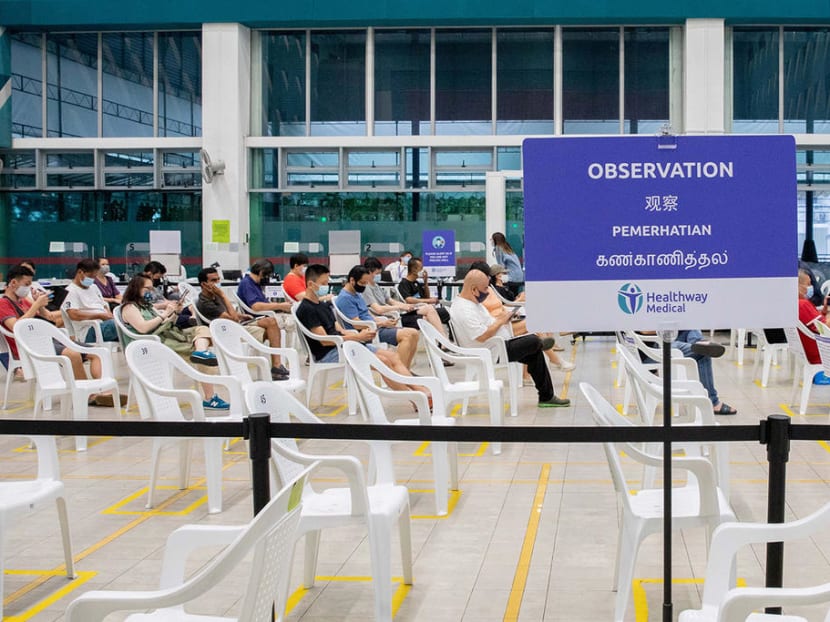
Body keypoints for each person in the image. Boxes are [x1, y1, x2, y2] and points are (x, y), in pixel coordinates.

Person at [295, 264, 430, 396]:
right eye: (324, 283)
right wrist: (357, 337)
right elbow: (326, 341)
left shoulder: (322, 305)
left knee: (393, 356)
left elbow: (339, 329)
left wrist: (359, 335)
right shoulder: (307, 309)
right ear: (311, 284)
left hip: (345, 345)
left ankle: (420, 391)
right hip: (330, 353)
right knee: (383, 361)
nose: (326, 287)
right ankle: (413, 397)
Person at [0, 265, 122, 406]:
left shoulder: (24, 301)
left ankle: (103, 392)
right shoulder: (3, 304)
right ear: (13, 283)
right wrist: (35, 305)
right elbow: (17, 327)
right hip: (30, 347)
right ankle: (88, 395)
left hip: (48, 339)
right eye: (26, 284)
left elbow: (49, 317)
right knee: (73, 355)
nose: (28, 288)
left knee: (97, 353)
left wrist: (40, 306)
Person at [450, 269, 569, 408]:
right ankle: (541, 344)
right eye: (485, 289)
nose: (487, 292)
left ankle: (546, 397)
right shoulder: (464, 310)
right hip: (491, 351)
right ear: (474, 289)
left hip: (498, 344)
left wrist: (503, 318)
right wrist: (501, 321)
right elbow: (482, 336)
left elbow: (488, 324)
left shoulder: (472, 303)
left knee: (534, 352)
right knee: (532, 341)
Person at [121, 274, 228, 410]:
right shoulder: (130, 308)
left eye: (152, 289)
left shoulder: (147, 306)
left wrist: (175, 313)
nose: (151, 292)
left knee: (203, 329)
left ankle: (201, 352)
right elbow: (143, 328)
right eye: (147, 289)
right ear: (136, 288)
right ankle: (210, 397)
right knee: (202, 357)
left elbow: (163, 323)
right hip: (151, 345)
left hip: (165, 336)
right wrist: (165, 314)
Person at [475, 262, 575, 372]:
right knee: (532, 327)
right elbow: (488, 315)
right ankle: (554, 358)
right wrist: (512, 307)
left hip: (506, 320)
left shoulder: (490, 289)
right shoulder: (478, 295)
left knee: (533, 330)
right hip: (498, 326)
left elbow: (501, 305)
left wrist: (510, 313)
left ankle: (531, 372)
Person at [196, 266, 289, 380]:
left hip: (236, 326)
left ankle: (277, 366)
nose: (217, 283)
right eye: (213, 280)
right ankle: (276, 366)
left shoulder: (214, 296)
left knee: (271, 324)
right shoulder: (206, 303)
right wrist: (223, 295)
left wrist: (241, 316)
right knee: (271, 323)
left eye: (218, 279)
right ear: (204, 284)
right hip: (228, 331)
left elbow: (231, 315)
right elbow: (233, 319)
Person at [335, 265, 420, 369]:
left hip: (375, 326)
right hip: (367, 332)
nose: (364, 286)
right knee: (407, 335)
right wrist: (381, 323)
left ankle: (405, 370)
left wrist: (383, 321)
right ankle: (400, 372)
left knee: (414, 333)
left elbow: (367, 315)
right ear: (352, 280)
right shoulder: (345, 298)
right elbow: (357, 324)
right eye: (362, 283)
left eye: (366, 283)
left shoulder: (357, 294)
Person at [668, 331, 736, 414]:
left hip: (670, 336)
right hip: (660, 343)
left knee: (690, 327)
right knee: (703, 351)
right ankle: (712, 402)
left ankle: (698, 342)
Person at [61, 258, 119, 343]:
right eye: (90, 276)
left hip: (105, 324)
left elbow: (104, 305)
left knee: (126, 322)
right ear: (80, 272)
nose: (92, 280)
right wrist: (99, 316)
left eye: (94, 277)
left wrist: (109, 315)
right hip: (89, 329)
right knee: (116, 326)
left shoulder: (94, 287)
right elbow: (73, 314)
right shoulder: (70, 291)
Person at [797, 268, 830, 384]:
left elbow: (817, 325)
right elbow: (826, 328)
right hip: (821, 351)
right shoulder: (802, 305)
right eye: (808, 284)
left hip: (811, 348)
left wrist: (825, 311)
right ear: (798, 286)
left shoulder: (795, 303)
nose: (811, 287)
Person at [397, 257, 451, 324]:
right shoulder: (404, 283)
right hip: (415, 311)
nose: (423, 271)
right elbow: (409, 300)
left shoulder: (416, 282)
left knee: (448, 311)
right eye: (421, 268)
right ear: (414, 270)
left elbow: (426, 297)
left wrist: (425, 282)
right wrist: (428, 301)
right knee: (445, 313)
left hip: (425, 308)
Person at [491, 232, 523, 296]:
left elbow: (501, 267)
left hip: (512, 277)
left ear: (495, 240)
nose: (491, 240)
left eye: (492, 239)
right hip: (519, 277)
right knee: (514, 294)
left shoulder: (498, 248)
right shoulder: (507, 247)